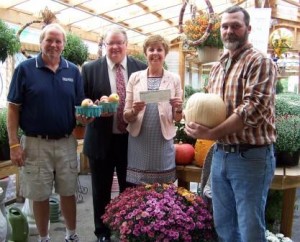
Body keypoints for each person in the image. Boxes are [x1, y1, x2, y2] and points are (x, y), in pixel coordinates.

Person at [185, 6, 277, 242]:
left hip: (250, 157)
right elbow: (207, 104)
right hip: (221, 154)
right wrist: (191, 122)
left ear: (248, 28)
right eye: (225, 26)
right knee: (223, 223)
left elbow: (252, 109)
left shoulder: (260, 62)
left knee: (249, 226)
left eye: (235, 25)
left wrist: (212, 132)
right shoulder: (217, 67)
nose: (229, 31)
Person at [7, 23, 87, 242]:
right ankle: (44, 238)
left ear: (64, 45)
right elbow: (13, 108)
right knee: (39, 195)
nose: (53, 44)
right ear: (40, 42)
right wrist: (14, 145)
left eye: (58, 41)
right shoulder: (24, 69)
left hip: (66, 142)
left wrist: (85, 117)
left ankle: (72, 235)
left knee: (68, 191)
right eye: (49, 40)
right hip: (35, 143)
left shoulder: (73, 71)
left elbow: (80, 108)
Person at [81, 27, 147, 242]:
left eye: (119, 43)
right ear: (105, 46)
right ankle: (102, 232)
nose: (115, 47)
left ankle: (127, 229)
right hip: (101, 140)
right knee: (100, 190)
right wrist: (93, 107)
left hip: (131, 140)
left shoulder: (140, 68)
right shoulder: (90, 69)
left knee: (130, 190)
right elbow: (83, 102)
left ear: (127, 45)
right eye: (111, 43)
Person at [123, 34, 183, 186]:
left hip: (162, 140)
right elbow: (126, 116)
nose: (155, 53)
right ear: (146, 53)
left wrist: (178, 108)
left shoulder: (174, 79)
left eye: (159, 49)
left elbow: (177, 118)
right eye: (151, 49)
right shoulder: (135, 78)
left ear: (165, 53)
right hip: (139, 140)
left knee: (163, 188)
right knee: (139, 189)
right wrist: (135, 111)